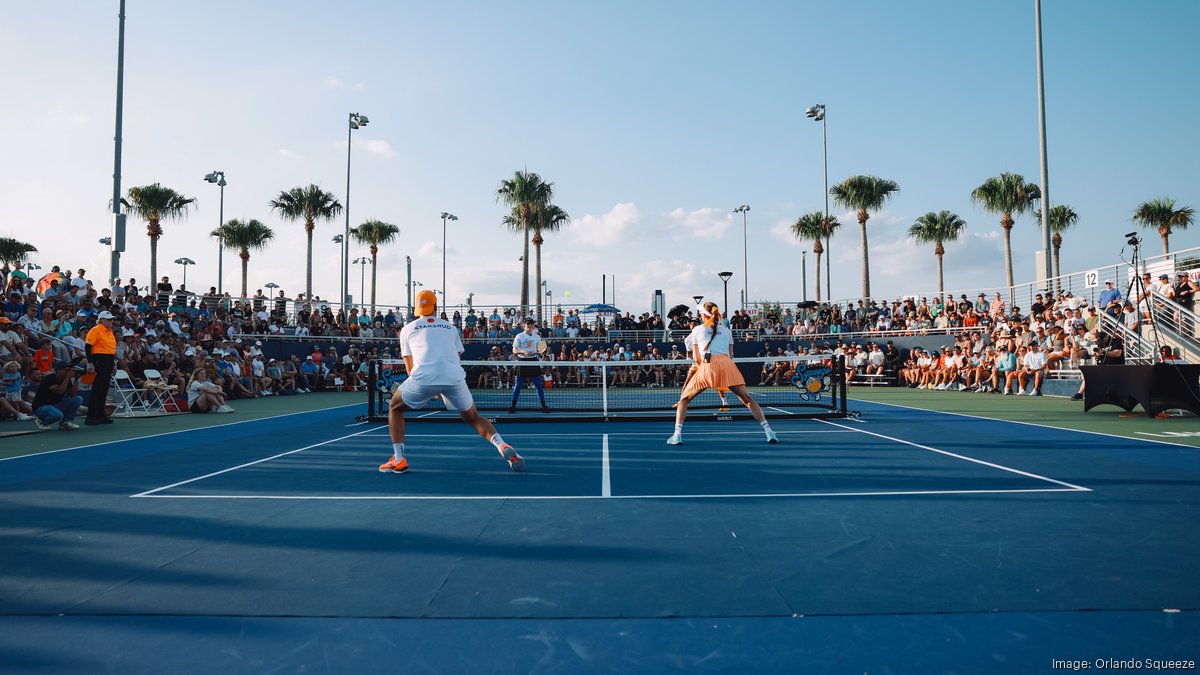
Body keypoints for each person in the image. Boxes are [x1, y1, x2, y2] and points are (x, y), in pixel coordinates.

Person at [380, 289, 524, 474]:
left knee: (395, 407)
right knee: (473, 417)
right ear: (436, 307)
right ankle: (501, 445)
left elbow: (410, 368)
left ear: (418, 308)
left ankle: (399, 459)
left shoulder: (407, 329)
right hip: (454, 377)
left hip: (424, 377)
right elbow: (453, 359)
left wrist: (430, 390)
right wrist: (441, 386)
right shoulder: (450, 328)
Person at [667, 300, 776, 445]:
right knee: (748, 400)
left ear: (703, 315)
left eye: (700, 312)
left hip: (707, 366)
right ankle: (769, 432)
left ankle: (677, 435)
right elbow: (730, 356)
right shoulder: (727, 331)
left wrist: (705, 371)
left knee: (684, 400)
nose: (699, 313)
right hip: (727, 366)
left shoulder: (697, 330)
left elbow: (696, 357)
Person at [509, 317, 550, 413]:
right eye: (528, 324)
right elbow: (514, 350)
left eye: (531, 324)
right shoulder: (519, 336)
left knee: (538, 385)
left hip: (533, 361)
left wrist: (541, 353)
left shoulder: (537, 337)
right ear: (524, 326)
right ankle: (513, 406)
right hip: (521, 361)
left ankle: (543, 406)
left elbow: (541, 350)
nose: (530, 326)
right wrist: (523, 351)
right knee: (518, 385)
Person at [84, 310, 117, 425]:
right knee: (97, 389)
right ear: (101, 320)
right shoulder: (96, 330)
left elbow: (111, 349)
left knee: (104, 389)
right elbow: (88, 347)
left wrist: (113, 364)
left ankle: (100, 414)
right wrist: (90, 362)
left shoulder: (110, 331)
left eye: (111, 320)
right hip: (99, 360)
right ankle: (91, 416)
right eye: (108, 319)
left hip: (108, 361)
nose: (111, 322)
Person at [32, 359, 83, 430]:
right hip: (42, 406)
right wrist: (68, 377)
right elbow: (59, 391)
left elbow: (73, 394)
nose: (68, 372)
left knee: (78, 399)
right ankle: (42, 421)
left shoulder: (65, 379)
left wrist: (76, 379)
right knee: (58, 415)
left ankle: (65, 422)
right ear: (59, 370)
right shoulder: (49, 378)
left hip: (57, 404)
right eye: (67, 370)